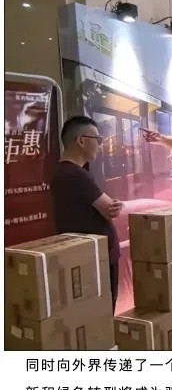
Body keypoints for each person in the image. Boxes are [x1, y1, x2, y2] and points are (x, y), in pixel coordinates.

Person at [49, 115, 123, 312]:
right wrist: (116, 206)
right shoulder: (76, 175)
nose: (100, 145)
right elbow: (109, 209)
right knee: (101, 314)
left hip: (83, 255)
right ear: (81, 141)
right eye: (97, 139)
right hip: (95, 258)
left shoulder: (61, 172)